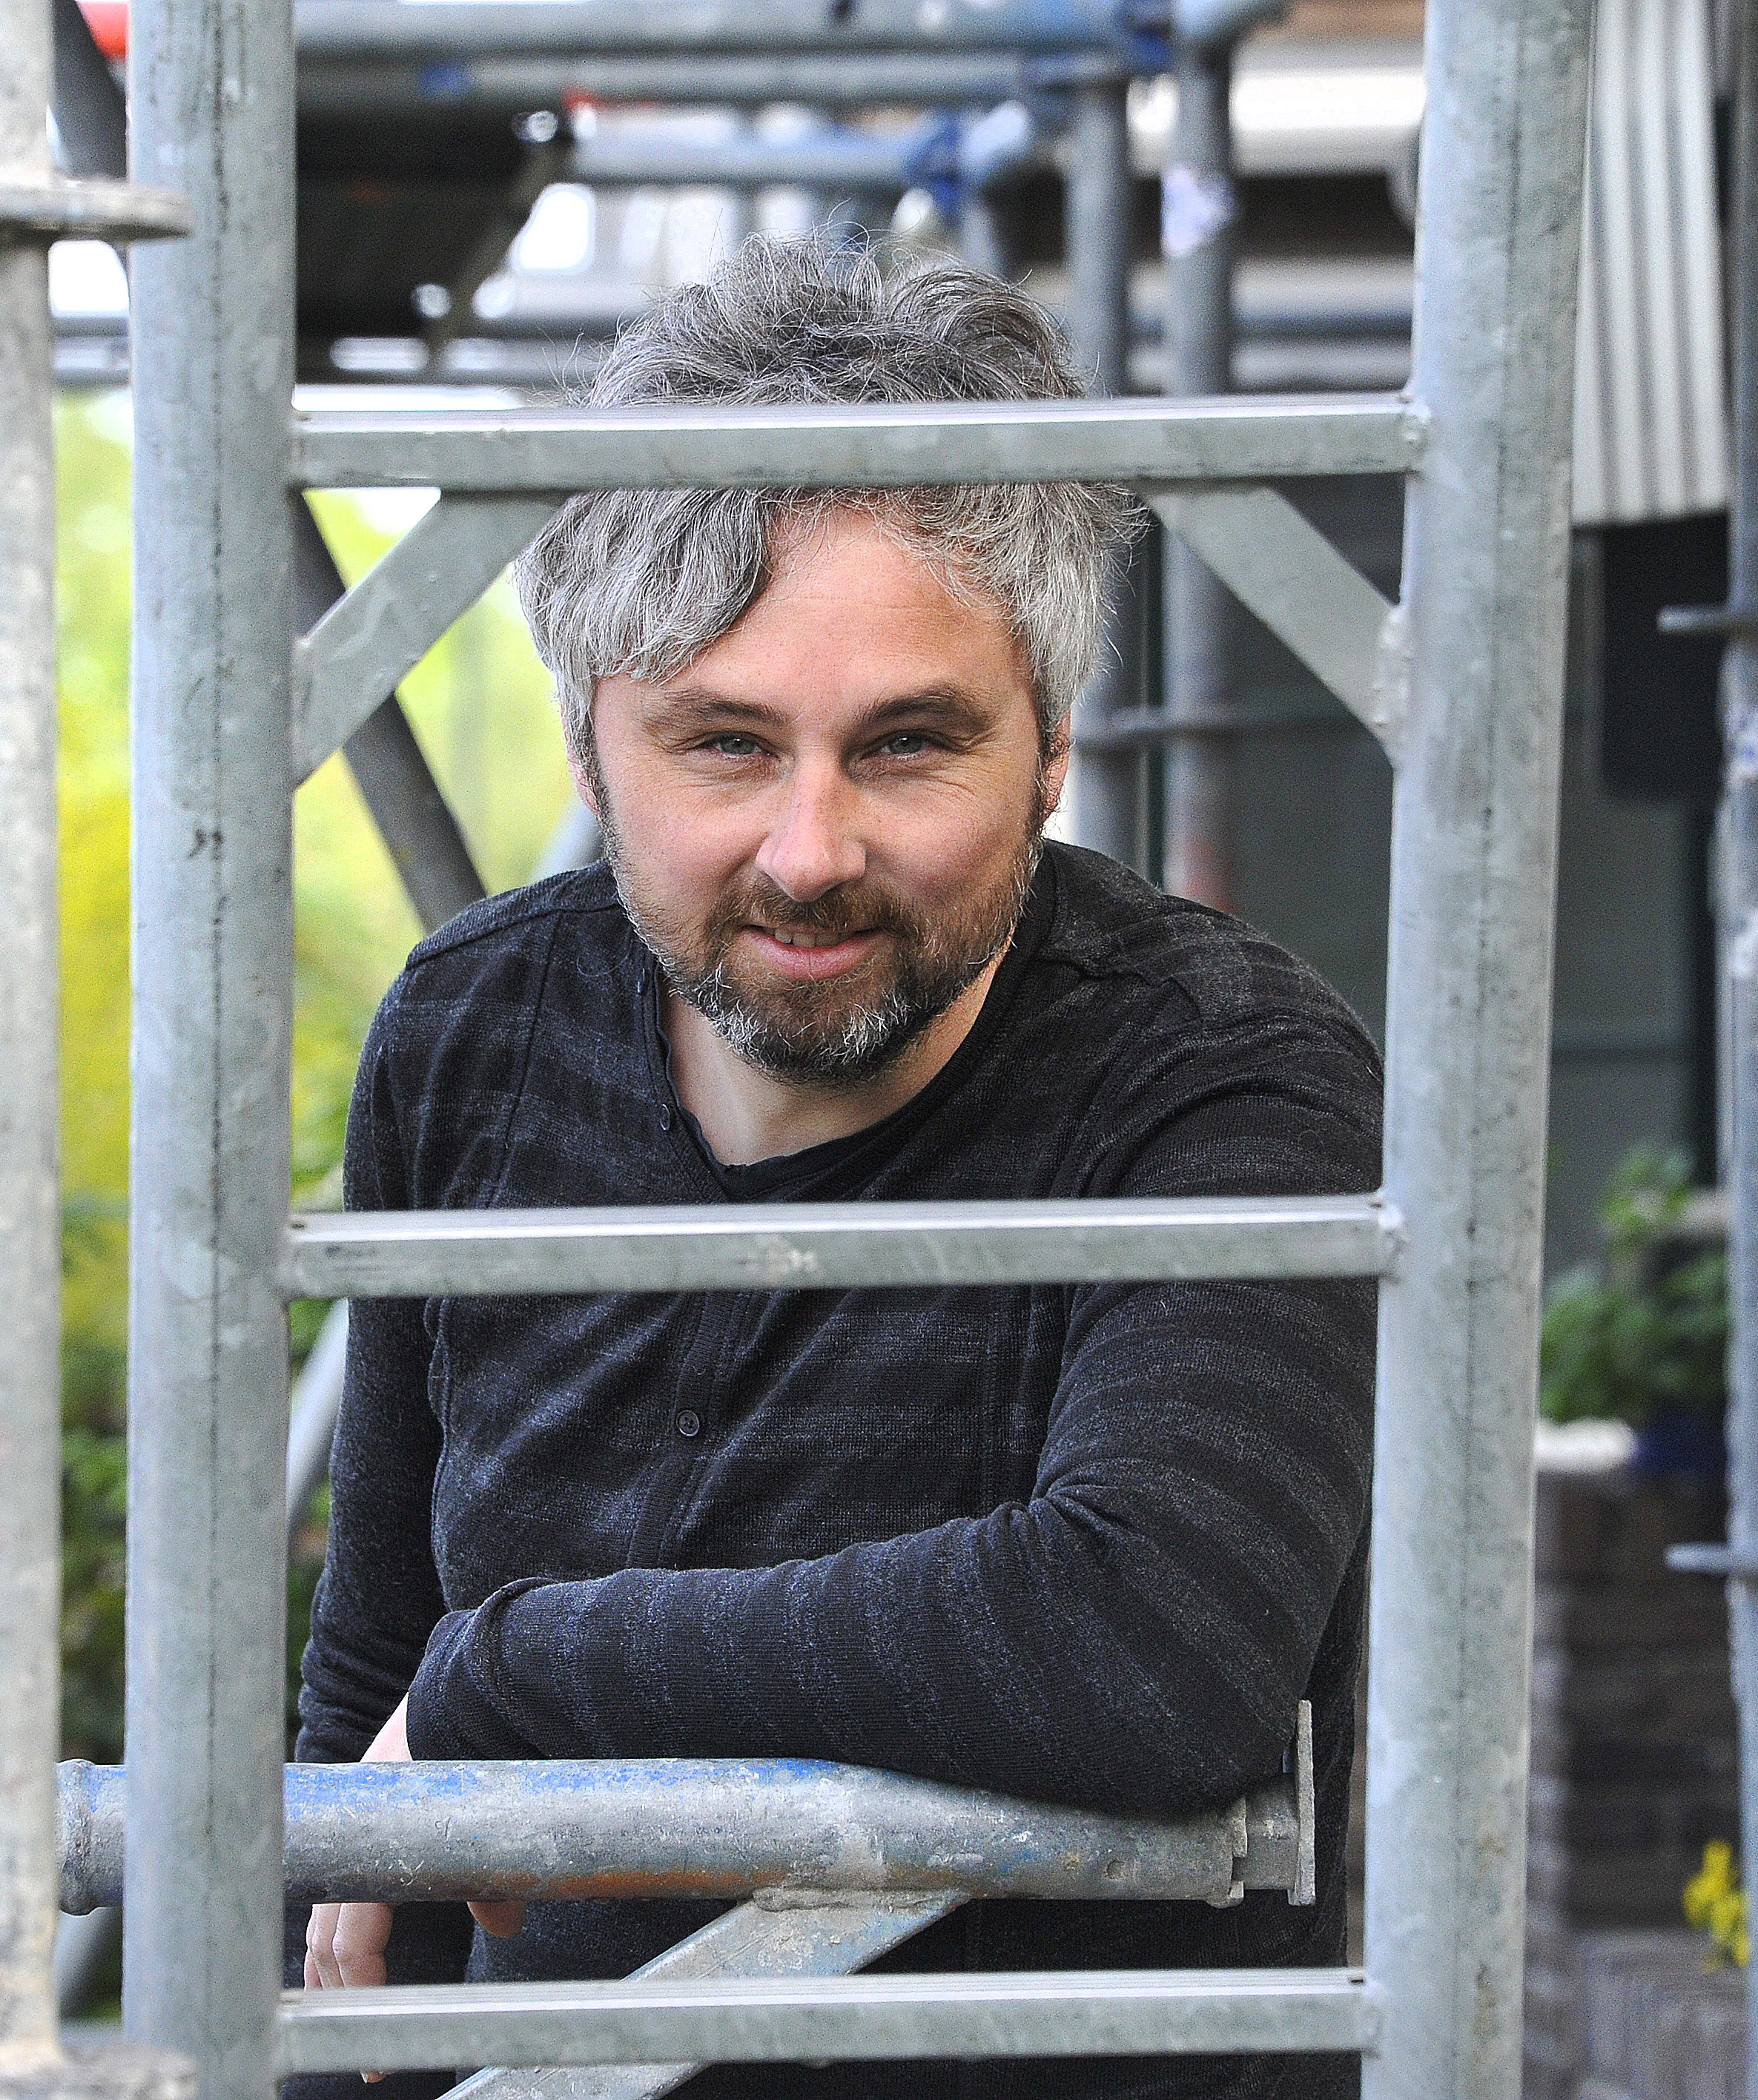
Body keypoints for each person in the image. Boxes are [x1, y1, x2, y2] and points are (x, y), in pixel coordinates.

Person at [289, 236, 1379, 2100]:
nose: (810, 851)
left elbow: (1151, 1635)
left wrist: (528, 1676)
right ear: (592, 745)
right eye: (723, 745)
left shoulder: (1223, 1079)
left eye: (907, 744)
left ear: (1047, 743)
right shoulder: (474, 1037)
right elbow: (366, 1688)